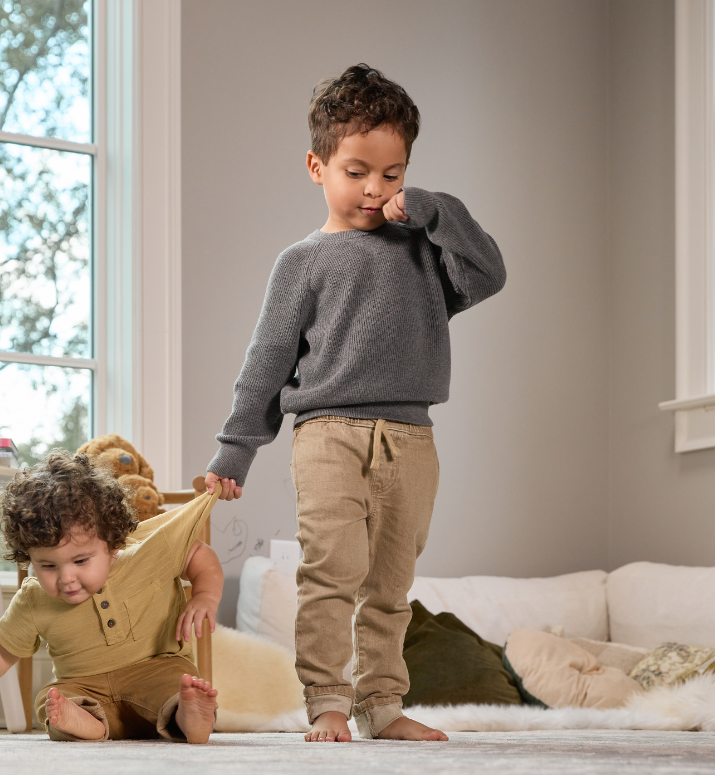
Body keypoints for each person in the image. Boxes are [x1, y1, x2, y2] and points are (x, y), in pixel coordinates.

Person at [205, 63, 507, 743]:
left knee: (390, 589)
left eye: (392, 174)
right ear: (317, 166)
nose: (375, 189)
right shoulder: (302, 263)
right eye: (357, 171)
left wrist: (433, 209)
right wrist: (236, 448)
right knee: (330, 576)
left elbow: (490, 272)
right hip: (328, 436)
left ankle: (383, 707)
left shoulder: (425, 251)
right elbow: (265, 365)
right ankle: (329, 706)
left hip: (411, 441)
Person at [0, 450, 223, 743]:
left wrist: (205, 595)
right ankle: (88, 724)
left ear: (112, 543)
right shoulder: (33, 599)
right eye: (47, 565)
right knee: (51, 699)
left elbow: (196, 552)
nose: (66, 577)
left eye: (81, 561)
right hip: (85, 686)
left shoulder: (143, 555)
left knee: (179, 684)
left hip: (154, 670)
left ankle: (189, 717)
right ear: (28, 556)